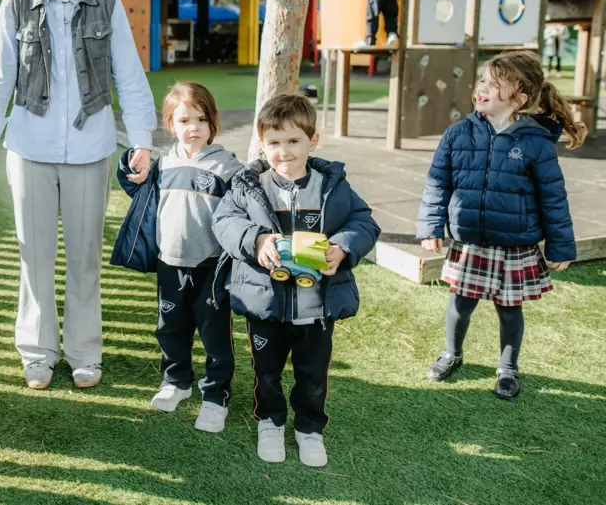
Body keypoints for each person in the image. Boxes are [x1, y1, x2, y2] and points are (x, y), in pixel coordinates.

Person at [0, 0, 156, 390]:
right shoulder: (16, 5)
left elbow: (130, 79)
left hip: (91, 150)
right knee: (35, 257)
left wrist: (142, 142)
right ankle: (38, 353)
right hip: (29, 150)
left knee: (85, 258)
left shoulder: (107, 4)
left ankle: (85, 352)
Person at [212, 94, 380, 468]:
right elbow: (224, 221)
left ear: (312, 141)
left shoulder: (330, 186)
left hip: (316, 306)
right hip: (265, 303)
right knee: (266, 371)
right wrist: (256, 240)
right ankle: (270, 422)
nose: (283, 151)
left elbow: (364, 221)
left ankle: (309, 427)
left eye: (293, 141)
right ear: (262, 142)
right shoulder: (249, 185)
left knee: (313, 374)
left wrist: (343, 247)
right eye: (274, 142)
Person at [418, 51, 586, 400]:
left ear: (519, 99)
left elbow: (554, 198)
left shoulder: (536, 143)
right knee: (460, 304)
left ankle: (508, 368)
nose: (482, 89)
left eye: (494, 85)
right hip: (470, 241)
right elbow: (437, 183)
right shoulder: (457, 134)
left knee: (509, 311)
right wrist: (431, 226)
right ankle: (451, 353)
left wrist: (560, 247)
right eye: (482, 81)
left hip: (514, 245)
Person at [111, 82, 242, 433]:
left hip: (211, 267)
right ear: (171, 124)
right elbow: (139, 190)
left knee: (215, 334)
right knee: (170, 328)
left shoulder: (227, 167)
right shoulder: (164, 163)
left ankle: (216, 395)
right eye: (184, 120)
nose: (193, 128)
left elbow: (243, 211)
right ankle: (176, 381)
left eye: (201, 119)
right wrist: (128, 168)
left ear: (213, 122)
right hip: (170, 263)